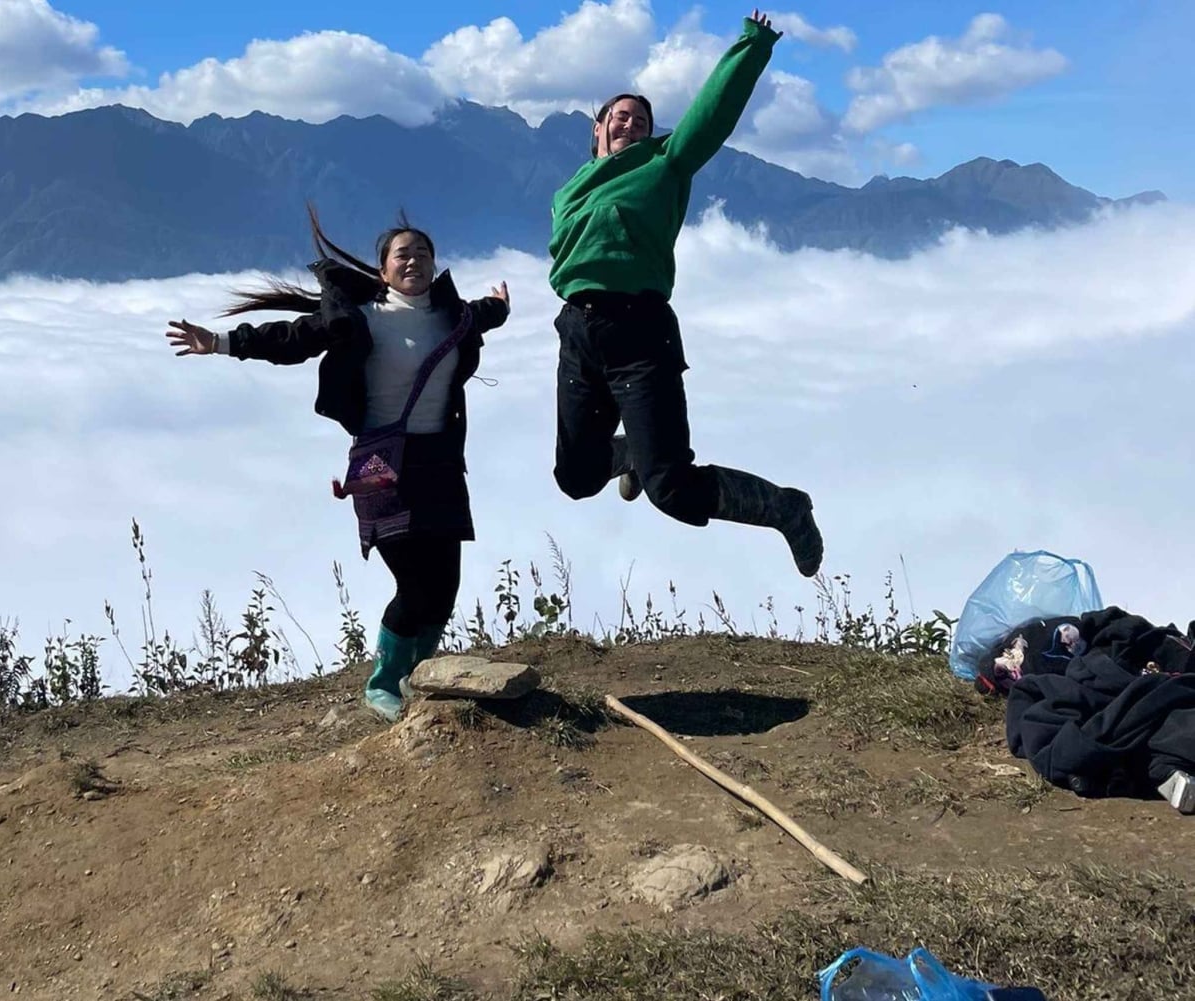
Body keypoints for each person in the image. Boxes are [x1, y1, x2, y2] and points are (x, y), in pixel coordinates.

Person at [165, 208, 510, 721]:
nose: (413, 260)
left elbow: (483, 313)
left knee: (445, 589)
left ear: (435, 265)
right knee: (415, 586)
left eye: (422, 253)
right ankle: (383, 684)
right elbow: (293, 339)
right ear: (383, 271)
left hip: (439, 462)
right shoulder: (360, 318)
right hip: (381, 465)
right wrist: (219, 342)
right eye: (402, 254)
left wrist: (500, 307)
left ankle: (423, 680)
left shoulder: (453, 315)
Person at [547, 9, 824, 577]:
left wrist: (752, 44)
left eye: (641, 121)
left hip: (639, 334)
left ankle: (785, 507)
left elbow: (711, 115)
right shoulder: (568, 190)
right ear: (596, 130)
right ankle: (629, 454)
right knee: (576, 478)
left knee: (671, 489)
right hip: (578, 332)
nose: (630, 125)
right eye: (619, 118)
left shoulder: (666, 166)